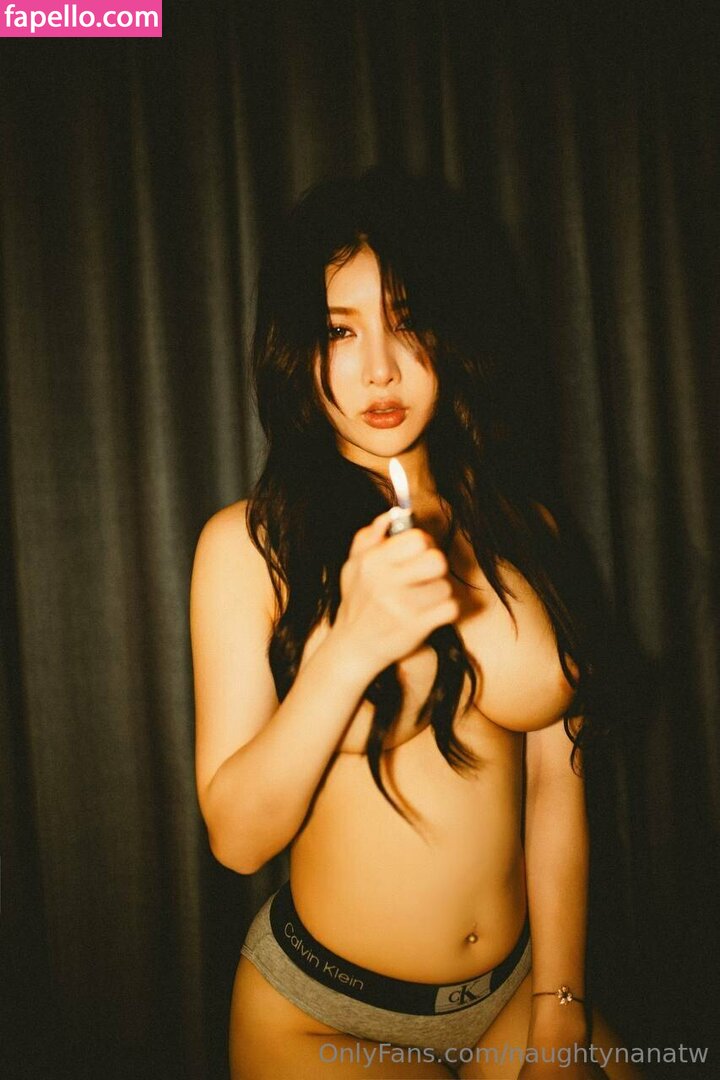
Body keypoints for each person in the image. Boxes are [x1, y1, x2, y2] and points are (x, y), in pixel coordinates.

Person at [190, 170, 639, 1079]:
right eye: (340, 331)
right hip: (323, 1017)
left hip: (518, 993)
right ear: (296, 347)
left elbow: (557, 784)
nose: (380, 369)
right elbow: (237, 838)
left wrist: (559, 1008)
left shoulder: (523, 526)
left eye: (407, 321)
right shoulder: (250, 546)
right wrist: (350, 649)